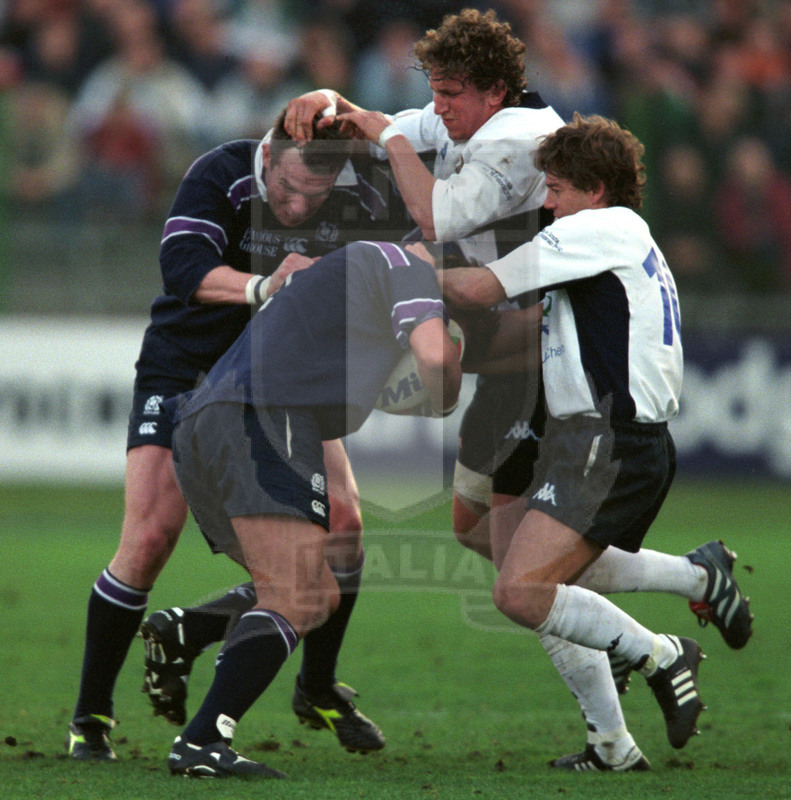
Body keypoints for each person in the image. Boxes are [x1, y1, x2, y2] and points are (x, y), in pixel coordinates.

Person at [67, 110, 401, 761]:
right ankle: (91, 718)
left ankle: (314, 686)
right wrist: (263, 285)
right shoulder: (221, 172)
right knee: (149, 538)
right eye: (289, 190)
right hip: (185, 368)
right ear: (267, 156)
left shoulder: (352, 192)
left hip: (276, 380)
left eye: (314, 196)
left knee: (345, 523)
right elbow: (182, 268)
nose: (299, 205)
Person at [440, 113, 750, 770]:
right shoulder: (613, 239)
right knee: (552, 582)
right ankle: (616, 736)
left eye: (554, 188)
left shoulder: (596, 229)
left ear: (594, 188)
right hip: (597, 441)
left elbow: (479, 286)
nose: (545, 203)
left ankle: (663, 655)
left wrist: (395, 266)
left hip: (605, 442)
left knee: (519, 591)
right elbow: (512, 327)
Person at [164, 240, 461, 777]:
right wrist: (450, 385)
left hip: (206, 419)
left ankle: (192, 632)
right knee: (298, 593)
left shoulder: (350, 265)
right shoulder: (410, 267)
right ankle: (202, 741)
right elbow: (436, 360)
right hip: (262, 416)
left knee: (318, 591)